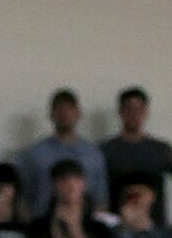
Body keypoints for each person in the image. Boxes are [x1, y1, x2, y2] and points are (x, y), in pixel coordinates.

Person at [15, 88, 110, 218]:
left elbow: (101, 198)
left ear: (78, 113)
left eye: (69, 109)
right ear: (51, 114)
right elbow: (22, 198)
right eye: (59, 109)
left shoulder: (93, 154)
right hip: (43, 226)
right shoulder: (33, 154)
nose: (64, 114)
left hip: (84, 227)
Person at [99, 86, 172, 207]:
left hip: (153, 222)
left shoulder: (161, 149)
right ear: (120, 112)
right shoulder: (105, 150)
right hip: (117, 220)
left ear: (146, 112)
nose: (134, 114)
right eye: (129, 109)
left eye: (138, 110)